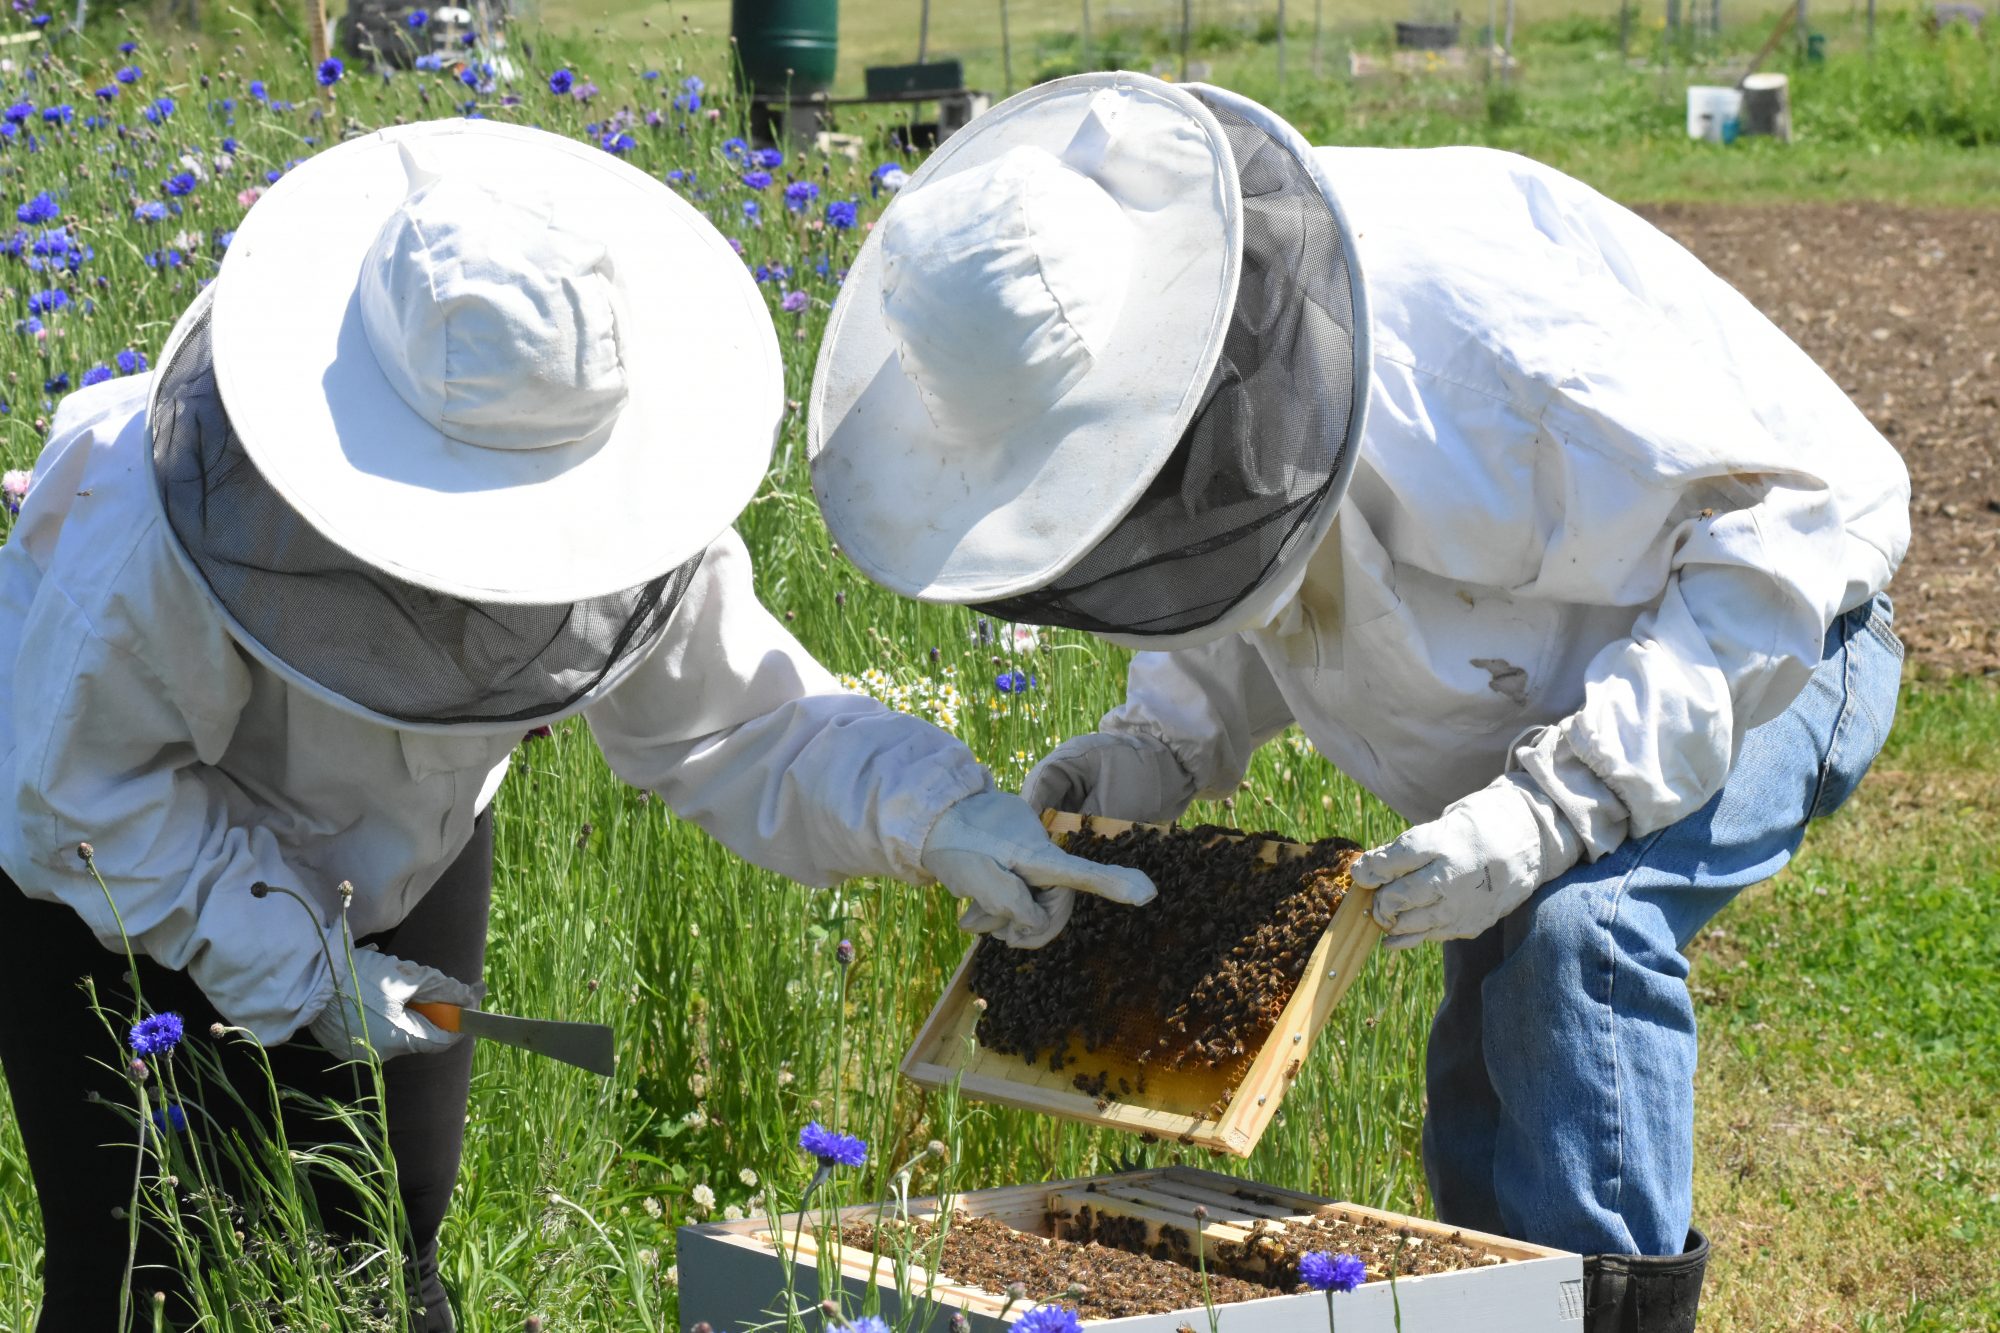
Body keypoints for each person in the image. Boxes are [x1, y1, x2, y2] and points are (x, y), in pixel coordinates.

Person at [0, 120, 1153, 1333]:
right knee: (143, 1275)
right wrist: (301, 966)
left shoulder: (619, 493)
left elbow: (742, 720)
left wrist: (941, 812)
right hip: (114, 889)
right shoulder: (141, 516)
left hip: (401, 856)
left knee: (387, 1250)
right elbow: (79, 800)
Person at [806, 72, 1908, 1332]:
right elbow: (1231, 552)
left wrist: (1563, 804)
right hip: (1535, 707)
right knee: (1490, 1017)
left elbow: (1790, 527)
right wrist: (1151, 749)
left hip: (1772, 633)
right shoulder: (1211, 360)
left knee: (1574, 937)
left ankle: (1609, 1316)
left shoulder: (1480, 336)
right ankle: (1495, 1303)